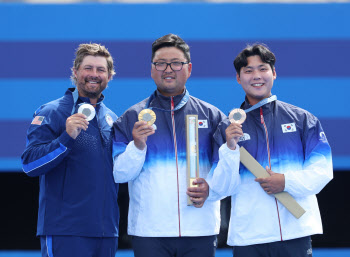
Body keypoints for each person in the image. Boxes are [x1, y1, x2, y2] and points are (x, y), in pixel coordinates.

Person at [112, 34, 242, 257]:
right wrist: (137, 146)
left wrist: (211, 189)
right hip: (149, 232)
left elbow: (229, 180)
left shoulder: (212, 116)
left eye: (176, 63)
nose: (168, 69)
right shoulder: (132, 117)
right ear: (152, 69)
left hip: (200, 229)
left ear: (189, 68)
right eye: (160, 63)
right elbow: (119, 175)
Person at [212, 44, 333, 257]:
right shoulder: (226, 128)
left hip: (296, 232)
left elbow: (323, 171)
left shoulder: (303, 120)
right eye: (248, 71)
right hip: (249, 237)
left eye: (263, 69)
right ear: (238, 78)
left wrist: (286, 182)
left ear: (274, 73)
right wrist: (230, 148)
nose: (256, 76)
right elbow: (222, 187)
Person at [21, 43, 119, 257]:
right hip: (66, 231)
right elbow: (29, 164)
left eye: (101, 69)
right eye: (88, 68)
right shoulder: (53, 112)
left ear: (109, 76)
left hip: (107, 233)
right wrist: (66, 138)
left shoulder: (112, 119)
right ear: (75, 72)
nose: (94, 74)